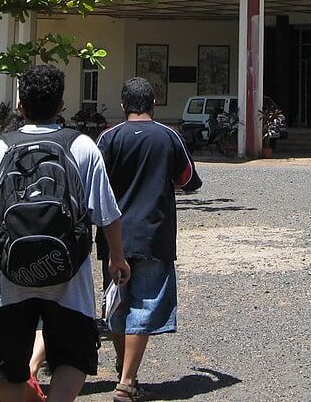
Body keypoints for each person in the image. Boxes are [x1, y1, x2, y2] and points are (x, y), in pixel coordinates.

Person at [0, 65, 131, 402]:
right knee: (73, 359)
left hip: (11, 277)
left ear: (20, 105)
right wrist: (117, 258)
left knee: (10, 366)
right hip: (69, 276)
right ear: (61, 105)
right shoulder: (83, 147)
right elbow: (107, 215)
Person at [97, 77, 202, 402]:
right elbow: (187, 180)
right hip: (154, 235)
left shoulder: (108, 138)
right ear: (154, 103)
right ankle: (127, 381)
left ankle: (123, 366)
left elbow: (92, 183)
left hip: (112, 237)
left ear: (123, 106)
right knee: (145, 302)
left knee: (118, 301)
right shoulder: (168, 136)